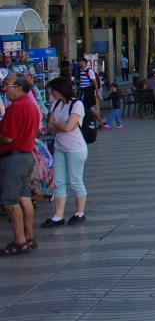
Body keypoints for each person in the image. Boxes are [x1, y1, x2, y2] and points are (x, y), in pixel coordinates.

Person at [0, 72, 39, 255]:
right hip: (26, 156)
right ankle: (29, 237)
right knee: (24, 197)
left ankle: (20, 240)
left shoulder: (16, 107)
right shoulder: (31, 105)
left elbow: (7, 137)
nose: (4, 88)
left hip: (14, 158)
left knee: (10, 201)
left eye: (7, 85)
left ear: (19, 87)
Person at [43, 76, 90, 228]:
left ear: (60, 90)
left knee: (76, 180)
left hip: (75, 148)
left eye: (53, 91)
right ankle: (58, 215)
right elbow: (50, 127)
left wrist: (58, 125)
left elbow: (67, 128)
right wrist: (60, 125)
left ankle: (80, 212)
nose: (52, 94)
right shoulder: (55, 104)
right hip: (60, 146)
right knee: (58, 181)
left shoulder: (76, 105)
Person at [76, 58, 102, 128]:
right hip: (83, 91)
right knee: (88, 108)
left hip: (87, 92)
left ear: (84, 62)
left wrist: (97, 92)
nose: (78, 63)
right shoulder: (81, 70)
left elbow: (94, 82)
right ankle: (98, 120)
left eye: (79, 61)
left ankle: (95, 121)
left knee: (88, 108)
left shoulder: (89, 71)